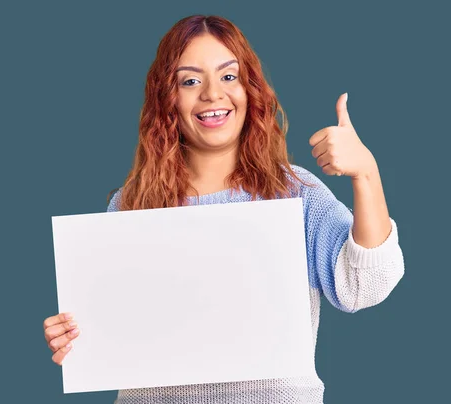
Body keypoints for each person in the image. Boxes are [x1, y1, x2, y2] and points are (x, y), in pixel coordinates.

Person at [43, 15, 405, 404]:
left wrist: (366, 173)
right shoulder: (131, 203)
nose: (213, 94)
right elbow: (112, 329)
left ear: (250, 89)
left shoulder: (295, 192)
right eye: (190, 81)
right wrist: (75, 337)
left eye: (228, 77)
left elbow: (364, 286)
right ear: (168, 99)